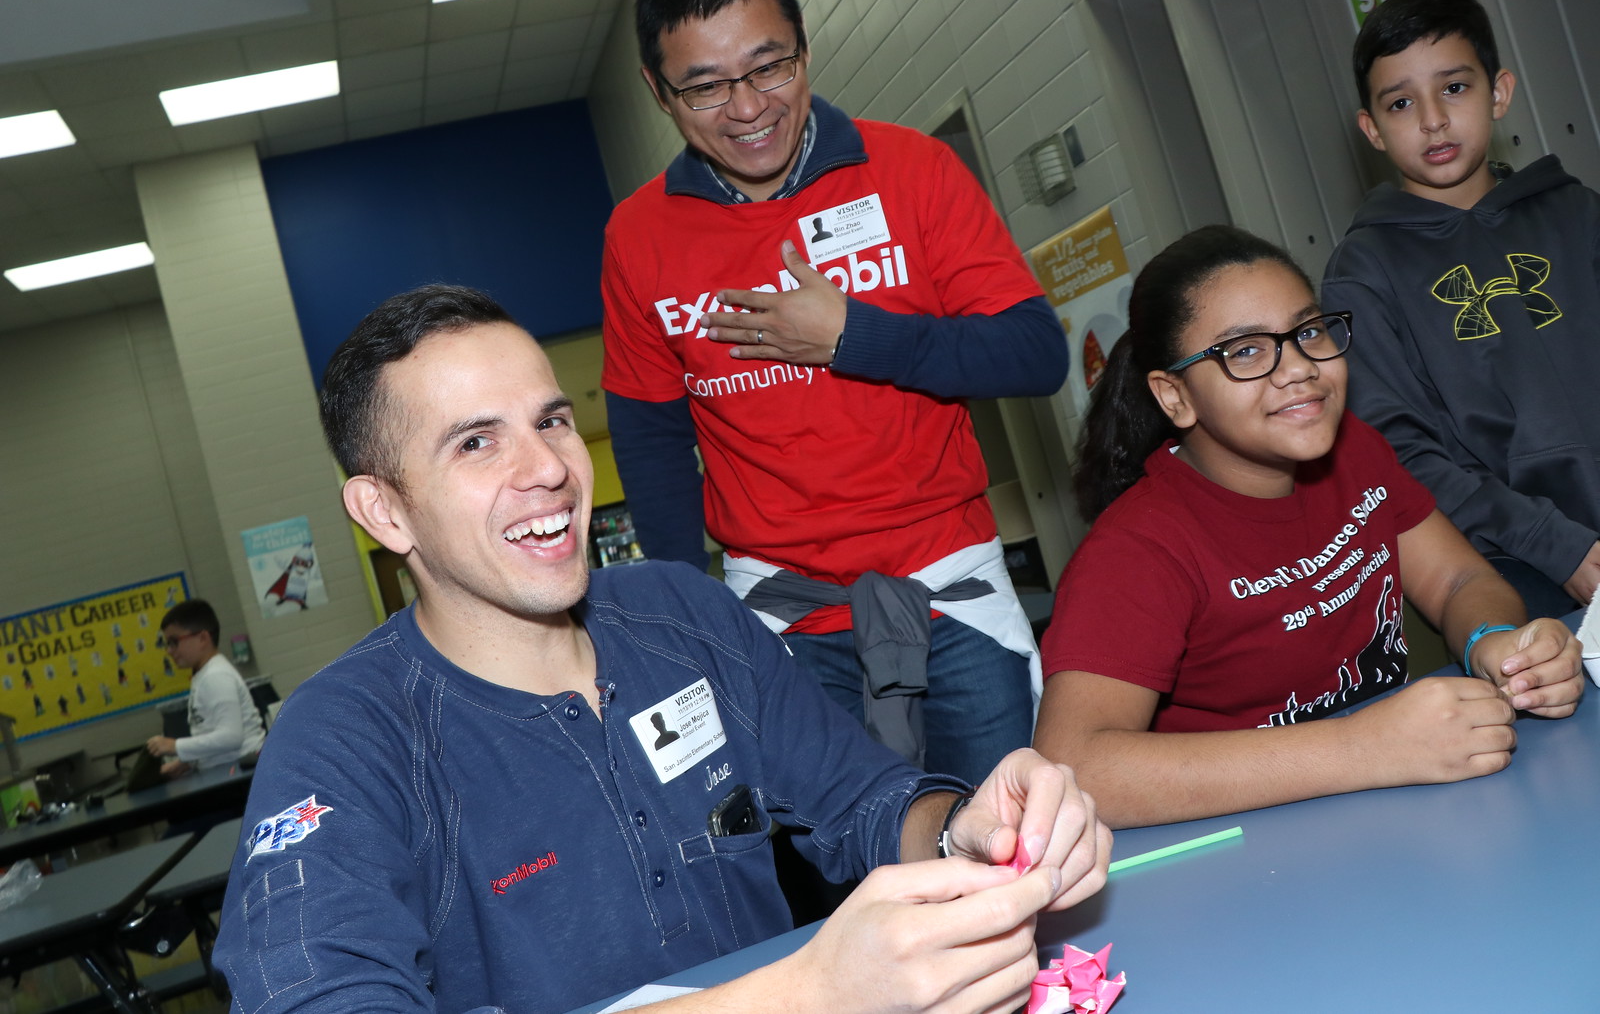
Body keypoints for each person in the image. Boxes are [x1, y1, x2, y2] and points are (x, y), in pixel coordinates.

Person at [212, 285, 1109, 1014]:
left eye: (553, 421)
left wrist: (967, 828)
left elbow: (863, 801)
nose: (550, 468)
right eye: (477, 441)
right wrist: (807, 995)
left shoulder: (680, 613)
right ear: (383, 510)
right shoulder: (342, 738)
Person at [600, 0, 1069, 784]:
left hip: (949, 582)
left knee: (1010, 849)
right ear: (658, 90)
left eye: (768, 65)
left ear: (804, 48)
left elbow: (1034, 351)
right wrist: (684, 617)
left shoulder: (912, 170)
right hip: (778, 616)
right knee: (848, 889)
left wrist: (858, 336)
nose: (747, 107)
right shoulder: (638, 237)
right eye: (704, 86)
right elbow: (651, 437)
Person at [1031, 225, 1583, 829]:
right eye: (1244, 351)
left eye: (1309, 331)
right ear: (1175, 397)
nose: (1297, 367)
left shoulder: (1354, 451)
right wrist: (1360, 749)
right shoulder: (1138, 550)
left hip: (1395, 804)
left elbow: (1455, 580)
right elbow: (1074, 767)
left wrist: (1496, 644)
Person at [1321, 0, 1600, 621]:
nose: (1432, 120)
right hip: (1510, 568)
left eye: (1454, 87)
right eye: (1399, 103)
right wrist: (1554, 546)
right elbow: (1399, 454)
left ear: (1498, 92)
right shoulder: (1361, 275)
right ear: (1372, 129)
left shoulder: (1576, 213)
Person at [144, 599, 265, 778]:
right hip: (231, 771)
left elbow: (231, 737)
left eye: (174, 642)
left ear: (202, 638)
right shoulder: (204, 674)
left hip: (244, 775)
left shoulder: (215, 676)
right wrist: (188, 761)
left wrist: (174, 746)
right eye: (167, 643)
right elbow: (209, 732)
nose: (169, 650)